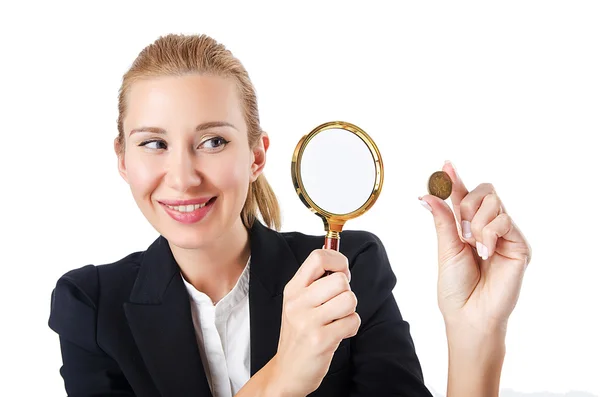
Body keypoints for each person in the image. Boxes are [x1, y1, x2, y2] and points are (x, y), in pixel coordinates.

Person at [48, 33, 532, 397]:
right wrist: (283, 377)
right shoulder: (90, 305)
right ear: (122, 159)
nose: (183, 177)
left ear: (257, 156)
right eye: (154, 143)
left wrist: (477, 333)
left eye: (213, 141)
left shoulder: (350, 268)